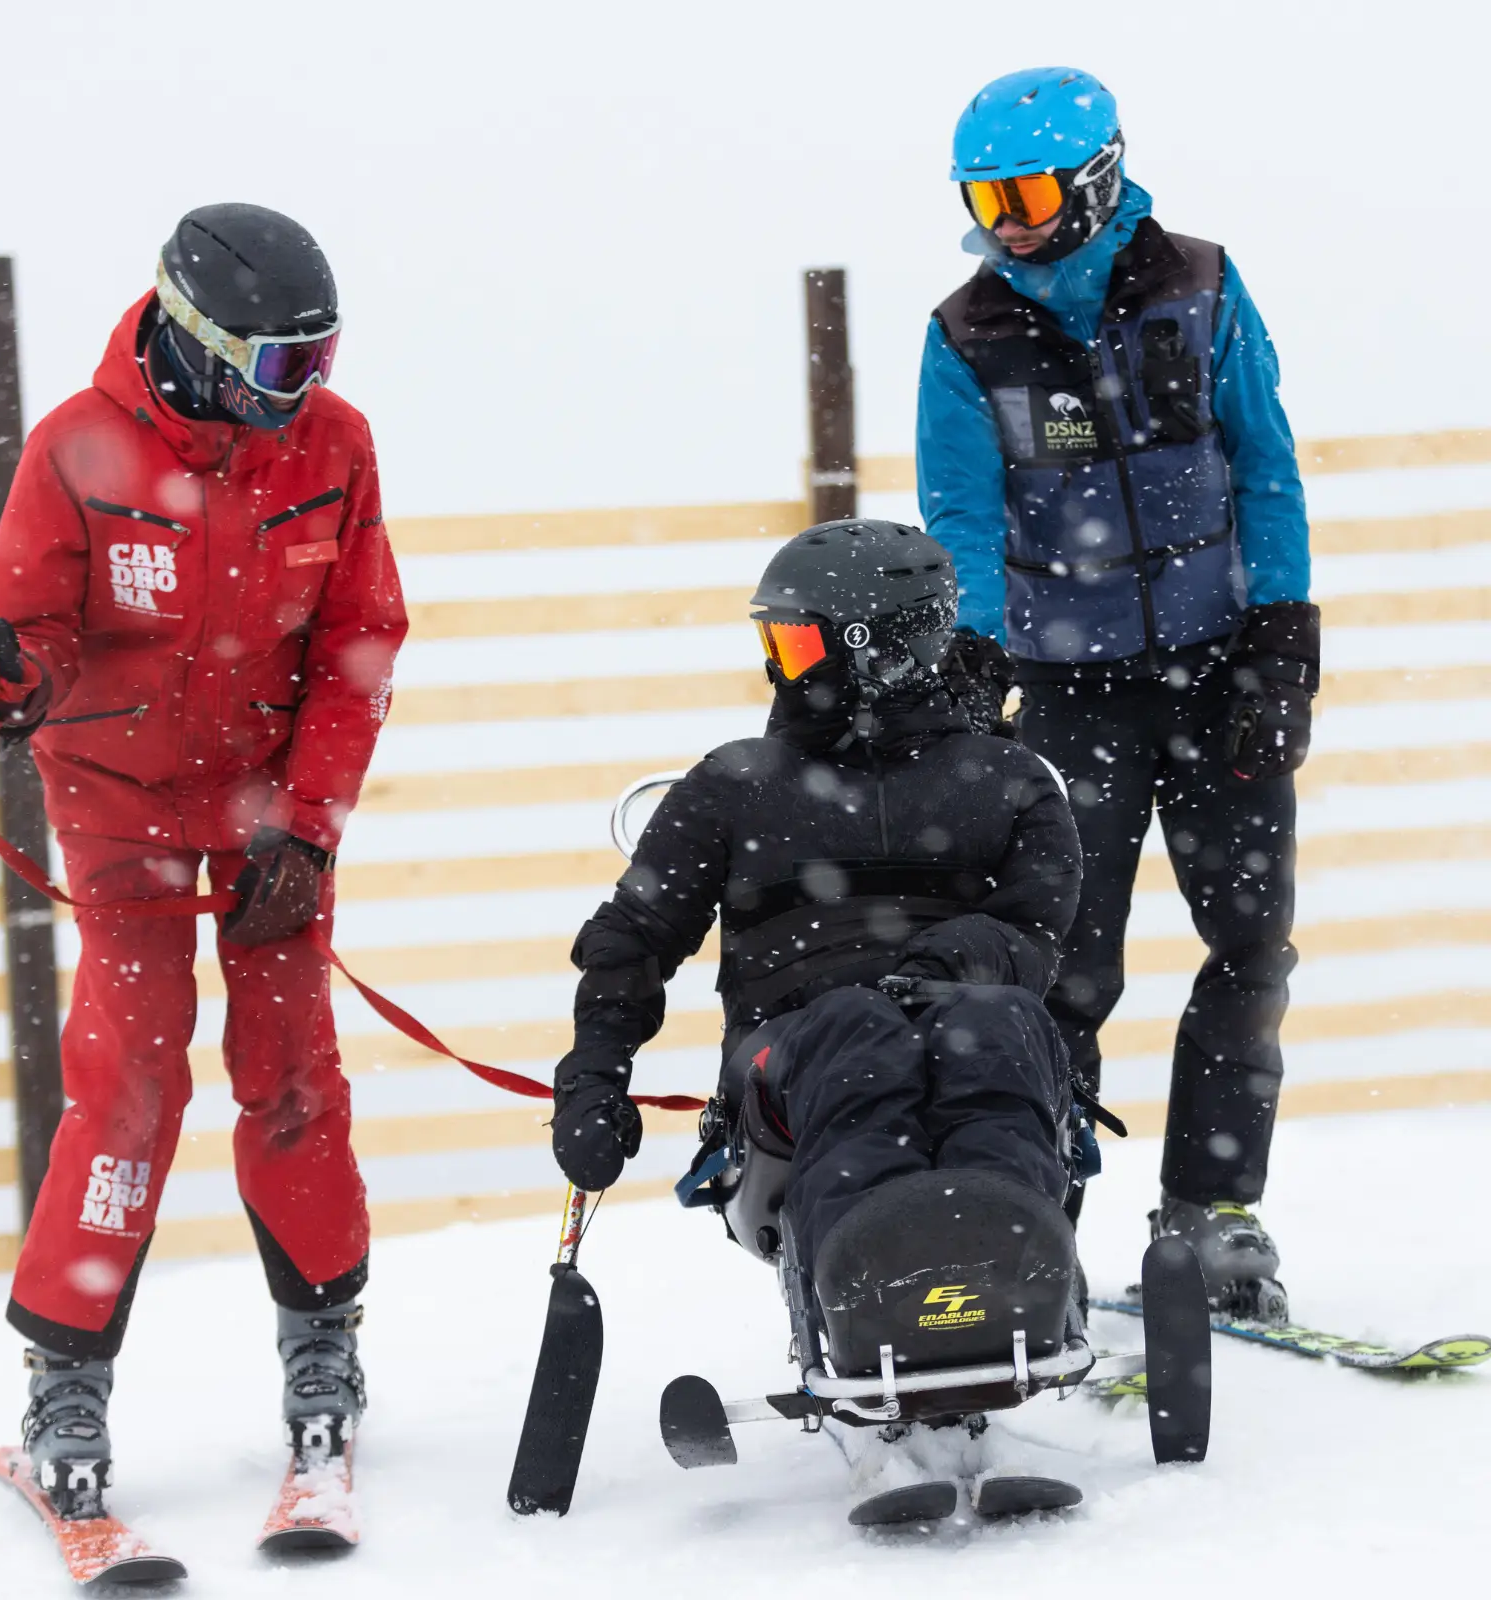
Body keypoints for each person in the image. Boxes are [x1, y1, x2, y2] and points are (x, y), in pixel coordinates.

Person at [0, 204, 406, 1516]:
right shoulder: (80, 448)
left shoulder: (333, 446)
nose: (309, 393)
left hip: (266, 822)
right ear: (198, 338)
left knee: (292, 1071)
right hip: (121, 812)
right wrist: (1, 680)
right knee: (129, 1082)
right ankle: (64, 1385)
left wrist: (307, 823)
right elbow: (36, 639)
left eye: (325, 360)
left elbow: (360, 645)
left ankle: (323, 1354)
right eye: (285, 365)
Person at [916, 67, 1316, 1320]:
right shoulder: (966, 332)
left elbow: (1264, 460)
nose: (1007, 222)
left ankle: (1211, 1209)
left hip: (1218, 673)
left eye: (1027, 193)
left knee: (1247, 942)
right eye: (984, 199)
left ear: (1094, 177)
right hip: (1068, 692)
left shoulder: (1199, 284)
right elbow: (963, 516)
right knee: (1061, 970)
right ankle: (1039, 1219)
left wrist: (1284, 632)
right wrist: (971, 658)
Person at [547, 519, 1082, 1282]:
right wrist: (593, 1078)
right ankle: (867, 1285)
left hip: (962, 1013)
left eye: (795, 643)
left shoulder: (1006, 780)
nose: (778, 666)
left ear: (875, 650)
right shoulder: (735, 785)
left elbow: (1037, 929)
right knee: (858, 1030)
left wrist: (957, 959)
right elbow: (634, 936)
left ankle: (1011, 1271)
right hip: (790, 1050)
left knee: (995, 1024)